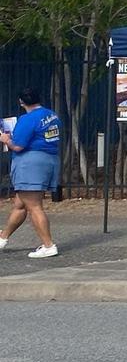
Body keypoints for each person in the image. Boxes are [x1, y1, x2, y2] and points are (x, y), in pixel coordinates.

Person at [0, 88, 61, 258]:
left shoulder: (27, 119)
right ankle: (3, 238)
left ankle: (48, 245)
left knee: (34, 207)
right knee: (20, 204)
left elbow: (18, 145)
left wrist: (5, 139)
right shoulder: (52, 115)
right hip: (49, 160)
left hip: (30, 164)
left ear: (21, 102)